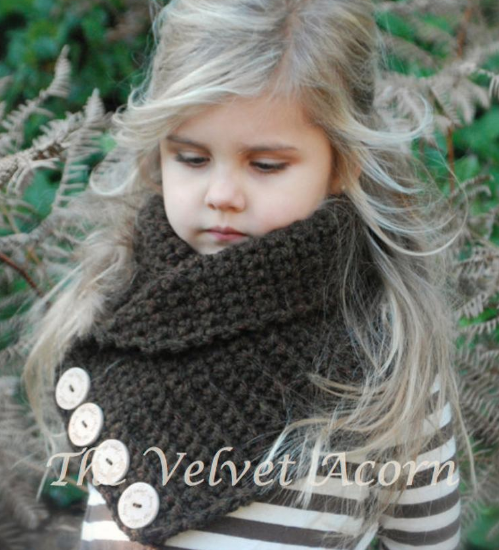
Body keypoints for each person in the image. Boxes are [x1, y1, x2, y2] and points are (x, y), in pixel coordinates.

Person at [21, 0, 474, 549]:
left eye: (265, 165)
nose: (222, 195)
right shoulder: (117, 318)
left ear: (343, 163)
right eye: (192, 158)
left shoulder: (383, 362)